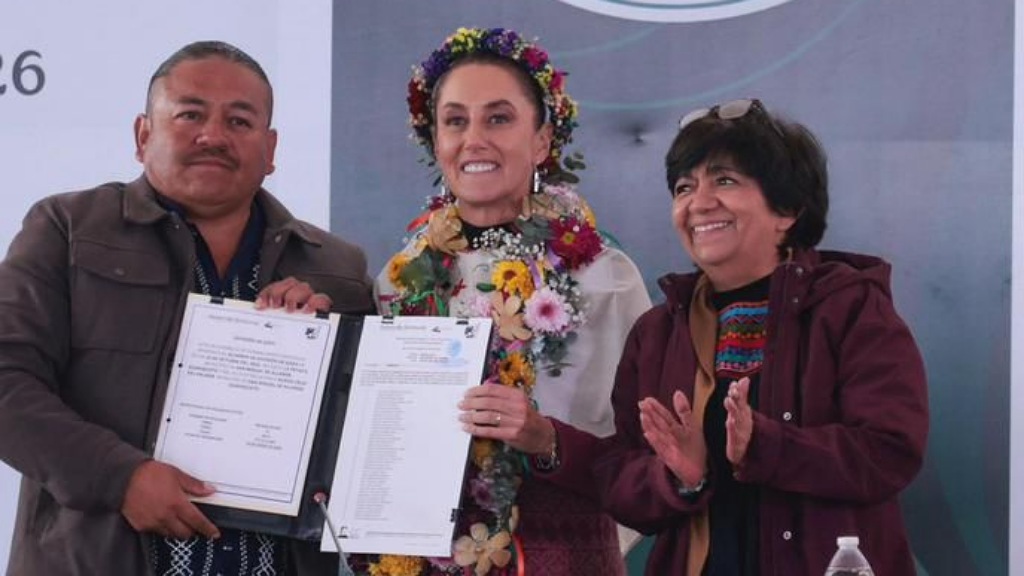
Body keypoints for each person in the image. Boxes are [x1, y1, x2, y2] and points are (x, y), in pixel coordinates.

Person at [0, 41, 374, 576]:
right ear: (142, 135)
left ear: (270, 149)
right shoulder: (68, 230)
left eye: (239, 121)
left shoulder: (336, 267)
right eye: (190, 114)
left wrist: (325, 353)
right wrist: (119, 478)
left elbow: (368, 438)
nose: (213, 136)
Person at [595, 99, 929, 575]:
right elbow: (620, 482)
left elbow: (890, 452)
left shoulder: (851, 307)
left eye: (725, 181)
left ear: (787, 209)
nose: (698, 203)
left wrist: (767, 447)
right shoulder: (657, 332)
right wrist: (679, 478)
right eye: (684, 187)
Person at [367, 28, 652, 576]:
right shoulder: (399, 281)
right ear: (435, 141)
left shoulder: (601, 276)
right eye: (455, 121)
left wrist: (546, 443)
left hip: (562, 555)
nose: (474, 139)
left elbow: (645, 459)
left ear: (542, 141)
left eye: (498, 118)